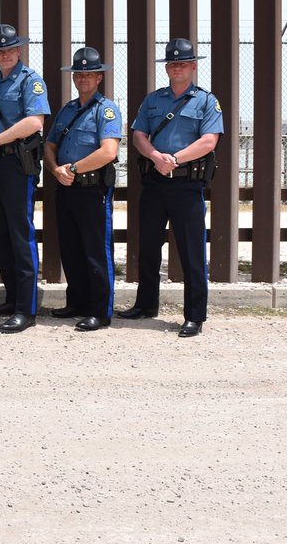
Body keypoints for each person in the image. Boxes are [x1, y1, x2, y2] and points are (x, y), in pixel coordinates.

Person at [121, 38, 222, 338]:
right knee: (149, 247)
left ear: (193, 66)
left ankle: (194, 315)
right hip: (154, 182)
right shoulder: (153, 100)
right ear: (167, 68)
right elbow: (139, 134)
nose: (177, 67)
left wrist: (174, 159)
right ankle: (146, 304)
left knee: (192, 252)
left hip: (187, 185)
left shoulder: (206, 100)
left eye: (183, 63)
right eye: (172, 63)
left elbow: (209, 141)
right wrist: (155, 156)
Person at [0, 24, 50, 334]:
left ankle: (26, 308)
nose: (4, 55)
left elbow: (35, 121)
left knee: (20, 235)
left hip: (18, 165)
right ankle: (11, 296)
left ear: (19, 50)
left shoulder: (31, 81)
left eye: (9, 49)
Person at [44, 47, 123, 333]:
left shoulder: (107, 110)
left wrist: (73, 169)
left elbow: (108, 152)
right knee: (71, 248)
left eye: (89, 74)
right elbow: (49, 145)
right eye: (79, 74)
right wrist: (55, 170)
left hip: (93, 189)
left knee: (95, 251)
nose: (83, 78)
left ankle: (100, 312)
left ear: (99, 77)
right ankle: (76, 302)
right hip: (66, 187)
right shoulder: (67, 110)